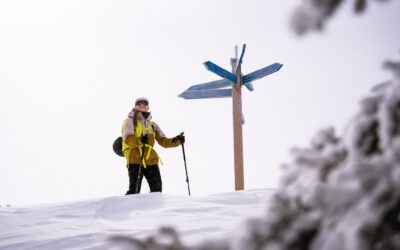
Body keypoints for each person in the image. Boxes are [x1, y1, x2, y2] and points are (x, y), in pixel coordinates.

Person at [121, 97, 185, 195]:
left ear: (148, 107)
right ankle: (130, 208)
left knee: (157, 190)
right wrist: (139, 140)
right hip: (135, 158)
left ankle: (154, 209)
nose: (142, 105)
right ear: (135, 106)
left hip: (151, 159)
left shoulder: (152, 125)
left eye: (144, 103)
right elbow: (127, 138)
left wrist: (177, 140)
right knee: (134, 190)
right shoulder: (129, 121)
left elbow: (163, 141)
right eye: (139, 103)